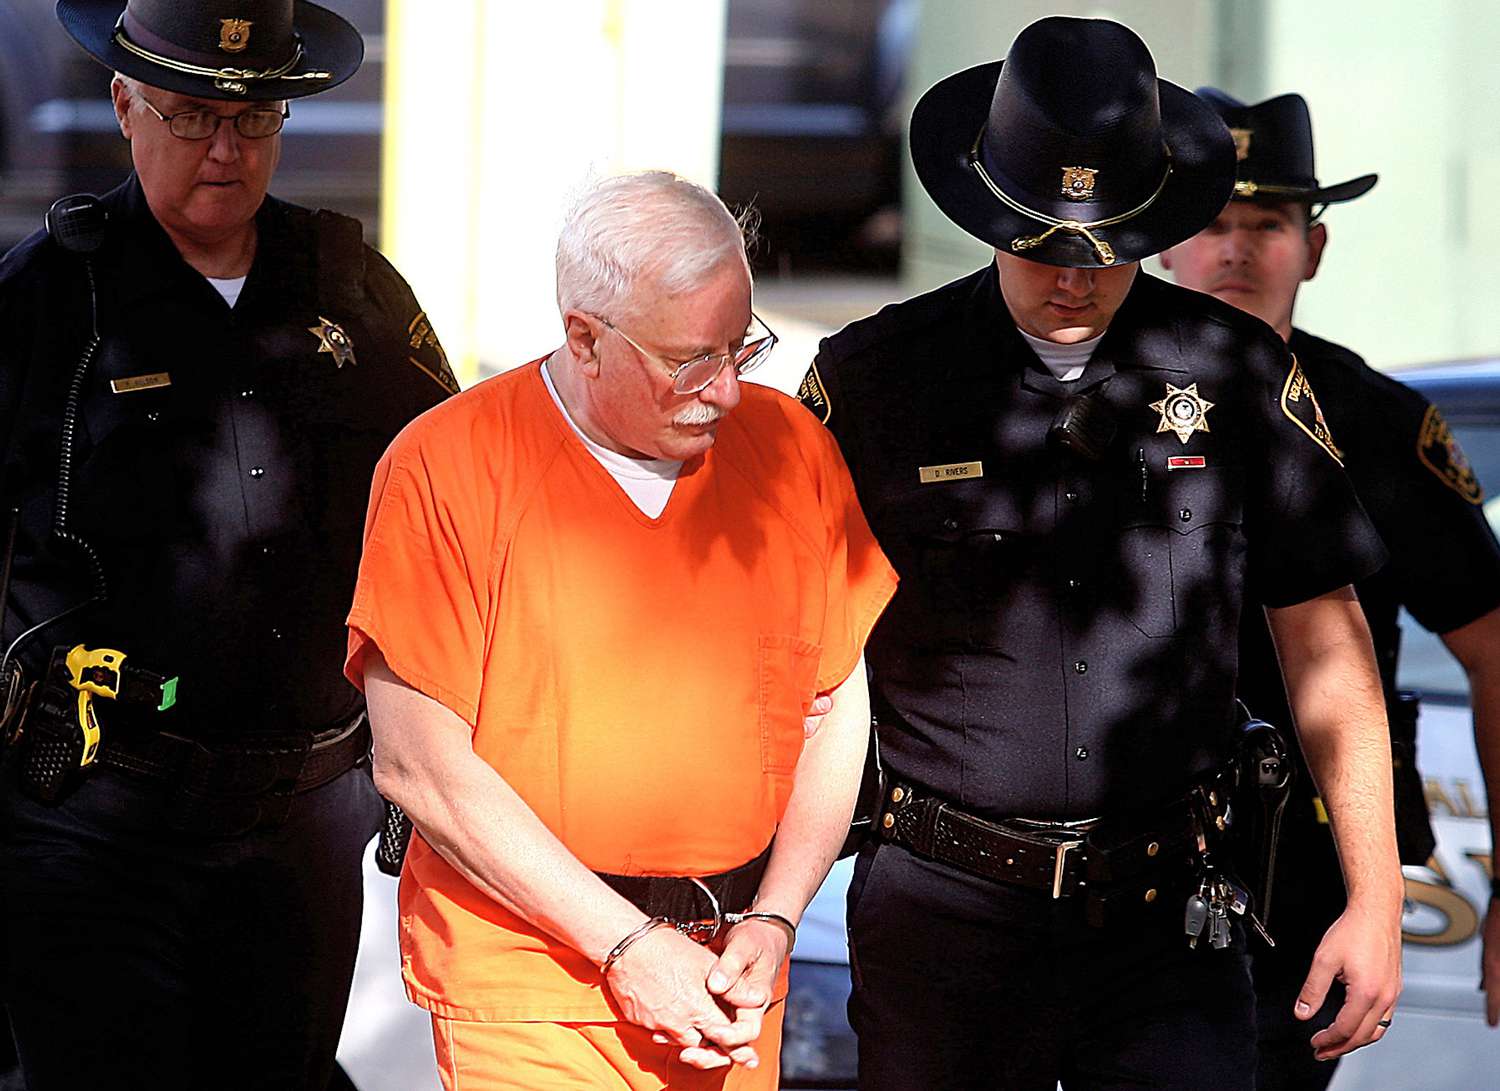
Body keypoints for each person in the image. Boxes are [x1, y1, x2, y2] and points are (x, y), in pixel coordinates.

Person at [797, 17, 1404, 1090]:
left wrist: (1376, 899)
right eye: (1043, 243)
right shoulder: (876, 380)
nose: (1074, 278)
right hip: (944, 920)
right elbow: (786, 655)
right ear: (986, 211)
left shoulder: (1234, 371)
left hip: (1169, 927)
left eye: (1107, 246)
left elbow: (1326, 645)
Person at [344, 170, 897, 1091]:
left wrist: (779, 913)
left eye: (739, 347)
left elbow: (836, 700)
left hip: (730, 972)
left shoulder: (791, 446)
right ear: (584, 338)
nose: (722, 390)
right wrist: (628, 946)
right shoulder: (447, 465)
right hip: (529, 977)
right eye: (688, 360)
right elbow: (416, 764)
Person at [0, 2, 458, 1089]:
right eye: (193, 117)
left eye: (255, 123)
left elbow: (454, 491)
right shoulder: (47, 298)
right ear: (125, 105)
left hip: (301, 817)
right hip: (95, 820)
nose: (225, 151)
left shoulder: (351, 284)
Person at [1159, 89, 1500, 1088]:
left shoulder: (1379, 425)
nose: (1236, 251)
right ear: (1166, 245)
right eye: (1212, 224)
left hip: (1299, 884)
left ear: (1312, 248)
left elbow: (1489, 645)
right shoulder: (1084, 401)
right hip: (1107, 874)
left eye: (1265, 224)